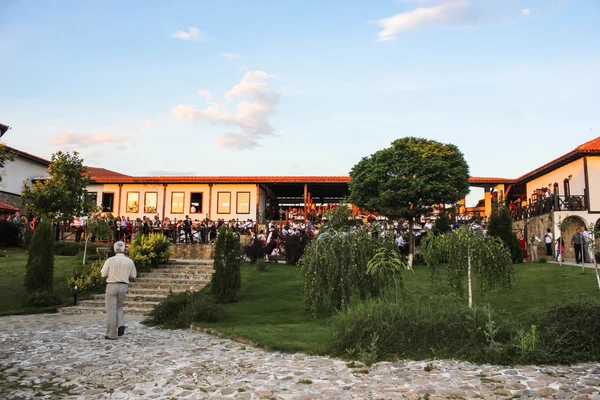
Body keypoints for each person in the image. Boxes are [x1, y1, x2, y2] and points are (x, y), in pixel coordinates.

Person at [101, 241, 137, 340]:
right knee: (119, 306)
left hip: (112, 285)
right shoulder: (129, 261)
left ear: (114, 249)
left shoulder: (110, 260)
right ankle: (121, 324)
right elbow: (133, 275)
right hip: (124, 286)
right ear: (124, 249)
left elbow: (103, 274)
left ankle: (111, 333)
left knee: (111, 310)